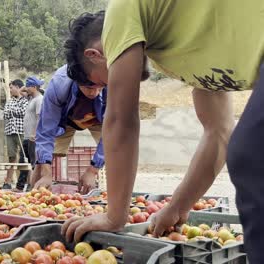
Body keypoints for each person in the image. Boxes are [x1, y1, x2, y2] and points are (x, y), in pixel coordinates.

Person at [60, 4, 264, 263]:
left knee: (252, 158)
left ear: (95, 54)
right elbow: (219, 133)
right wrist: (177, 207)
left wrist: (114, 216)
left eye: (103, 83)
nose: (109, 89)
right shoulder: (186, 48)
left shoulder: (121, 11)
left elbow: (122, 118)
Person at [32, 65, 106, 194]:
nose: (94, 93)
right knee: (41, 163)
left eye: (100, 87)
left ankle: (117, 204)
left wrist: (93, 170)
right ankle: (33, 200)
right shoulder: (59, 85)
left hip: (101, 120)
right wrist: (46, 173)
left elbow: (114, 135)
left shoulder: (114, 85)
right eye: (89, 88)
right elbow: (45, 132)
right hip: (65, 120)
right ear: (76, 81)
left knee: (119, 154)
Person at [15, 77, 45, 191]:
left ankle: (33, 187)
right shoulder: (31, 99)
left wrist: (35, 133)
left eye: (28, 86)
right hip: (27, 136)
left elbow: (39, 117)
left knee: (33, 163)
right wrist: (26, 87)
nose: (26, 89)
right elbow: (21, 91)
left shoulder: (39, 100)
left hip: (33, 137)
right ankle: (20, 186)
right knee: (23, 162)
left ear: (34, 87)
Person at [2, 79, 28, 189]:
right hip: (10, 131)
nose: (10, 90)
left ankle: (22, 183)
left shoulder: (25, 101)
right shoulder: (10, 101)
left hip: (22, 131)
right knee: (11, 157)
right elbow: (5, 114)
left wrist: (12, 111)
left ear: (18, 87)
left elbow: (23, 112)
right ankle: (7, 182)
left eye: (12, 88)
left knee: (24, 157)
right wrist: (14, 111)